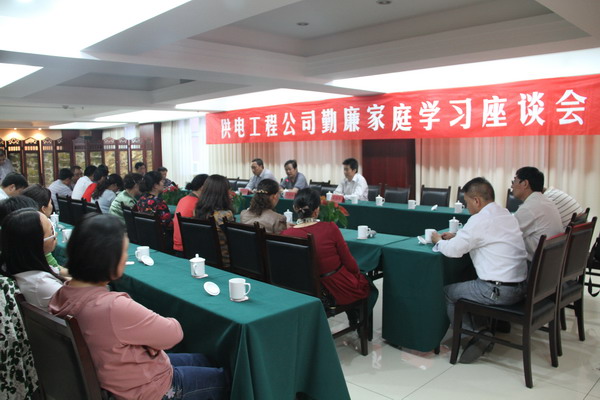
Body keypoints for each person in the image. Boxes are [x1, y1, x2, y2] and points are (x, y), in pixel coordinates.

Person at [48, 214, 229, 400]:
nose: (126, 257)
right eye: (124, 251)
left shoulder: (61, 295)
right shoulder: (112, 307)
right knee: (228, 379)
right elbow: (173, 334)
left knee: (203, 360)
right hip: (147, 390)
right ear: (108, 258)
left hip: (119, 374)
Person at [431, 177, 528, 364]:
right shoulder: (505, 213)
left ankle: (474, 336)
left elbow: (453, 251)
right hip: (520, 287)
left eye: (467, 202)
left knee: (449, 292)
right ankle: (485, 329)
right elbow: (487, 236)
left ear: (476, 200)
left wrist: (438, 241)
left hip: (497, 291)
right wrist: (458, 235)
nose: (467, 207)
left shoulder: (479, 219)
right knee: (470, 283)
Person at [281, 188, 374, 309]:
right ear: (317, 210)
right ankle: (357, 318)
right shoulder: (329, 228)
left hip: (303, 289)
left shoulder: (286, 234)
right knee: (366, 284)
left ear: (295, 208)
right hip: (333, 289)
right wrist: (357, 274)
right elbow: (349, 263)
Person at [0, 209, 64, 310]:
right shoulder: (43, 284)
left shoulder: (13, 264)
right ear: (35, 243)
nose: (55, 234)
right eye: (51, 231)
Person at [511, 167, 563, 262]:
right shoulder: (546, 201)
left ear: (525, 183)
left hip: (535, 265)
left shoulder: (529, 208)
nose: (512, 186)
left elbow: (508, 234)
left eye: (514, 181)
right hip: (551, 263)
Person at [194, 175, 234, 267]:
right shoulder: (225, 215)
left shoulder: (197, 211)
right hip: (225, 262)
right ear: (223, 194)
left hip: (204, 259)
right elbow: (233, 241)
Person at [173, 174, 208, 255]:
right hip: (190, 248)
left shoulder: (183, 199)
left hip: (177, 246)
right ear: (202, 187)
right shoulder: (198, 203)